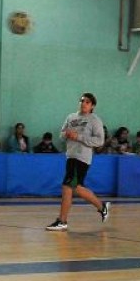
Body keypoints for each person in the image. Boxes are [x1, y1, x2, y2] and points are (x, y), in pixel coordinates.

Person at [46, 93, 110, 232]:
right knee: (73, 188)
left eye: (87, 102)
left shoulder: (95, 120)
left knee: (68, 187)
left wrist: (79, 137)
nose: (83, 104)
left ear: (92, 105)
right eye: (82, 101)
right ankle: (101, 207)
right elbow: (61, 134)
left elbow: (99, 141)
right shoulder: (71, 117)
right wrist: (66, 134)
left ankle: (63, 221)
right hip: (70, 156)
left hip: (82, 158)